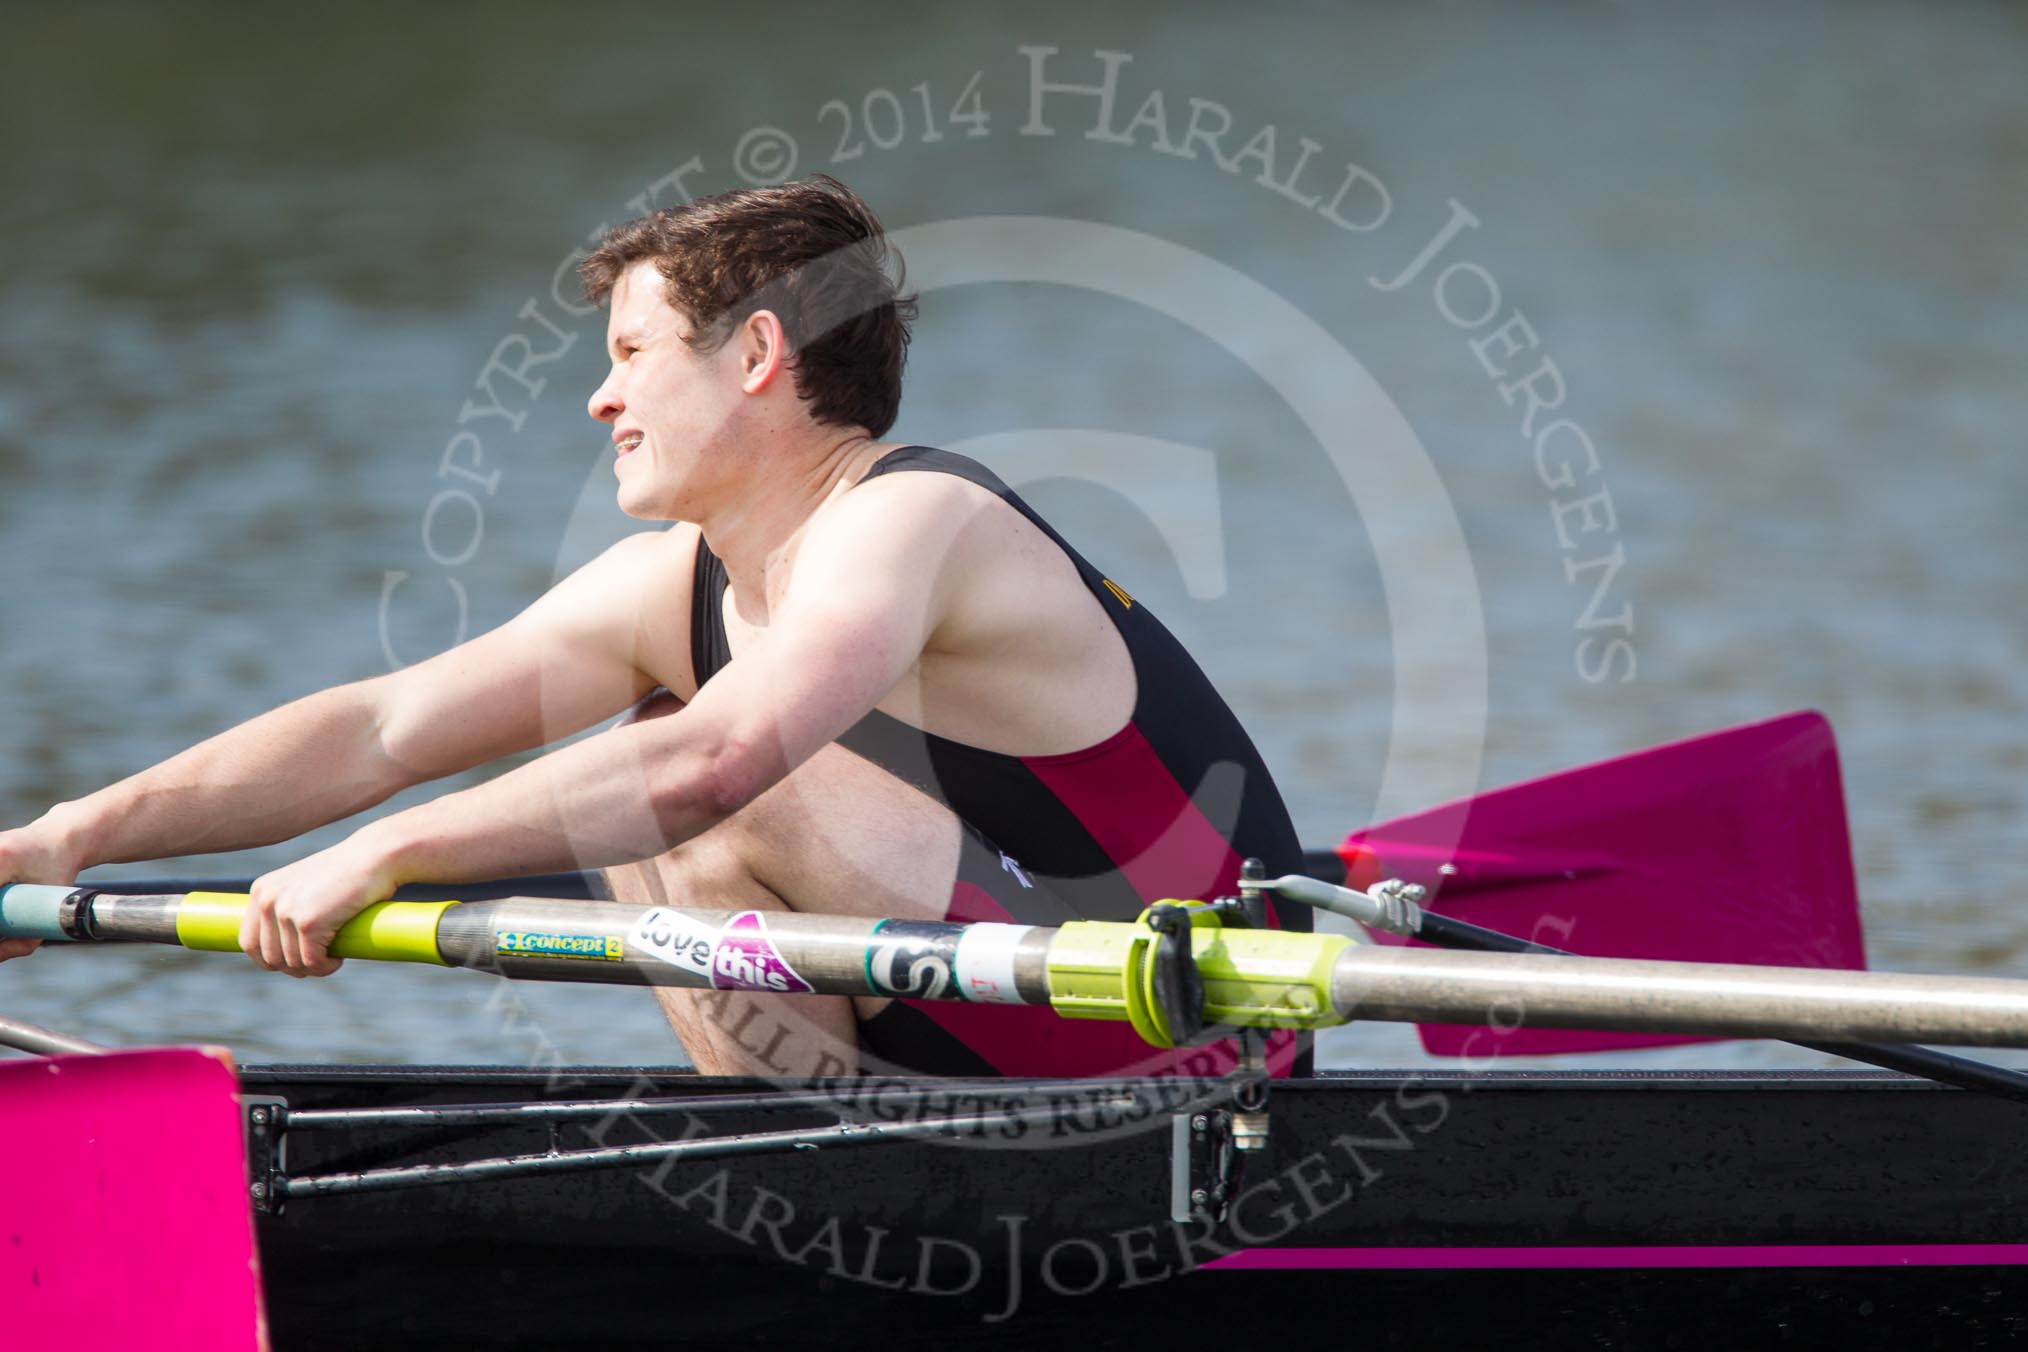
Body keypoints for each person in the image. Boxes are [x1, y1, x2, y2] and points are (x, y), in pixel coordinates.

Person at [0, 176, 1306, 1078]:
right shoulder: (669, 587)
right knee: (641, 752)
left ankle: (812, 1198)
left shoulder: (919, 522)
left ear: (754, 356)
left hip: (1197, 1036)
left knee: (692, 774)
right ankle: (795, 1161)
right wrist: (63, 842)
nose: (599, 399)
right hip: (1003, 1011)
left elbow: (712, 767)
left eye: (632, 354)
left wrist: (383, 856)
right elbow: (384, 730)